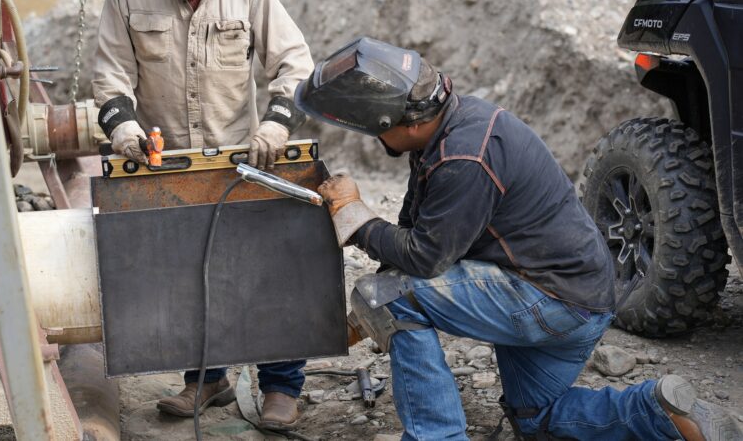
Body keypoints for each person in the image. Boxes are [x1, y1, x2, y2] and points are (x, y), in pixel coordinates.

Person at [296, 36, 742, 441]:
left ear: (406, 123)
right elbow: (416, 228)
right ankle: (655, 414)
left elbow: (426, 257)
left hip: (553, 300)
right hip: (581, 296)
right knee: (536, 418)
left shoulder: (462, 158)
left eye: (379, 129)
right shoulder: (455, 123)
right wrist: (364, 303)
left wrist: (354, 218)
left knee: (387, 297)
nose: (378, 138)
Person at [92, 0, 313, 429]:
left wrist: (277, 125)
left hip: (242, 155)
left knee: (264, 271)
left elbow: (295, 65)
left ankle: (281, 385)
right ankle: (207, 379)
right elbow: (109, 75)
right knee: (184, 272)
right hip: (166, 160)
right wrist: (123, 128)